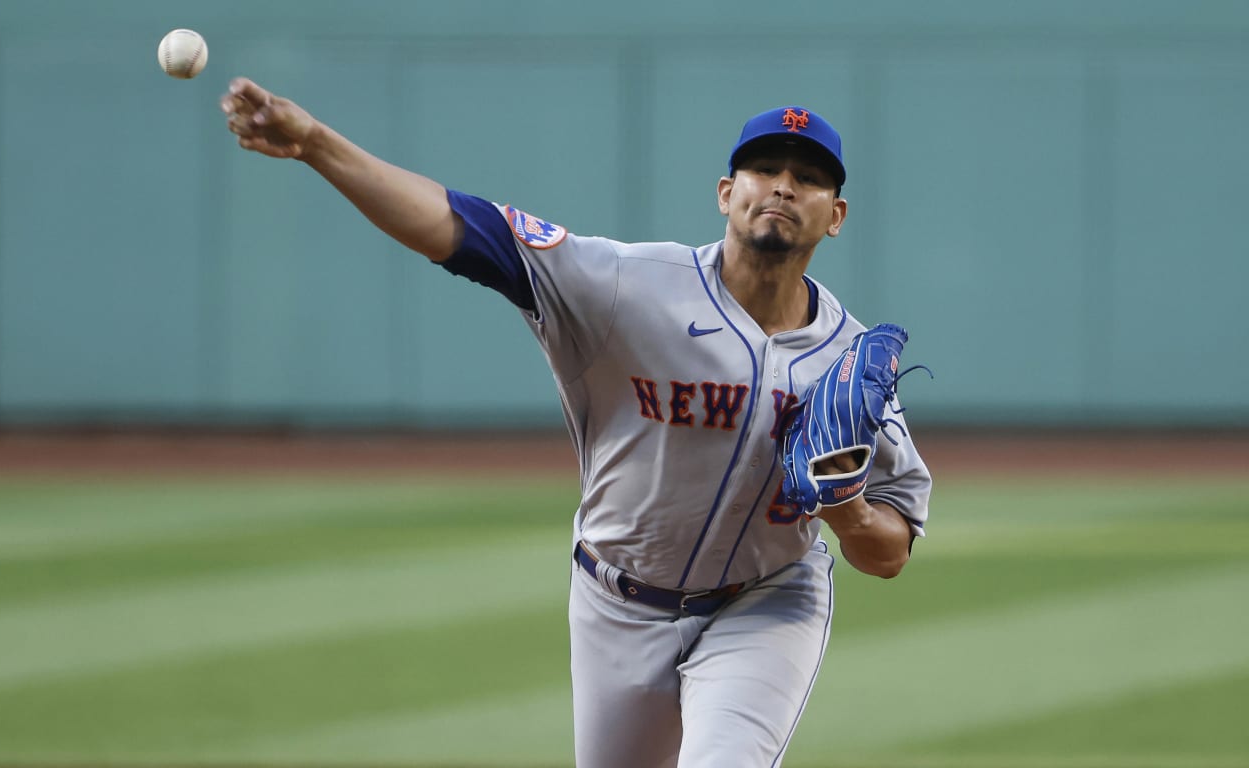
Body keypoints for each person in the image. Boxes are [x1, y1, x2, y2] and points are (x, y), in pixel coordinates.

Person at [220, 78, 932, 768]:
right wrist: (315, 143)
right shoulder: (628, 285)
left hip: (767, 601)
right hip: (616, 598)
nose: (782, 185)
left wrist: (848, 508)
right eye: (763, 168)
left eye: (807, 177)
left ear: (835, 215)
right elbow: (461, 227)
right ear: (726, 193)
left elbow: (888, 553)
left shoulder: (849, 360)